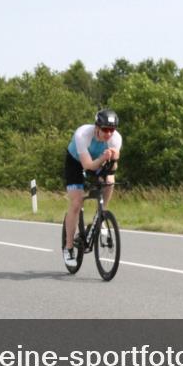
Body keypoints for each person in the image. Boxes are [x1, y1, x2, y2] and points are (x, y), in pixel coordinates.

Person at [62, 110, 122, 267]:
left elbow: (113, 168)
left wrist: (114, 159)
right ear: (97, 127)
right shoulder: (82, 134)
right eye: (105, 130)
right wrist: (104, 157)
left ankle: (101, 215)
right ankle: (68, 248)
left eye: (112, 130)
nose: (108, 134)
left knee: (110, 180)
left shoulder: (116, 139)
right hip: (76, 162)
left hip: (98, 161)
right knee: (76, 203)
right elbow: (87, 166)